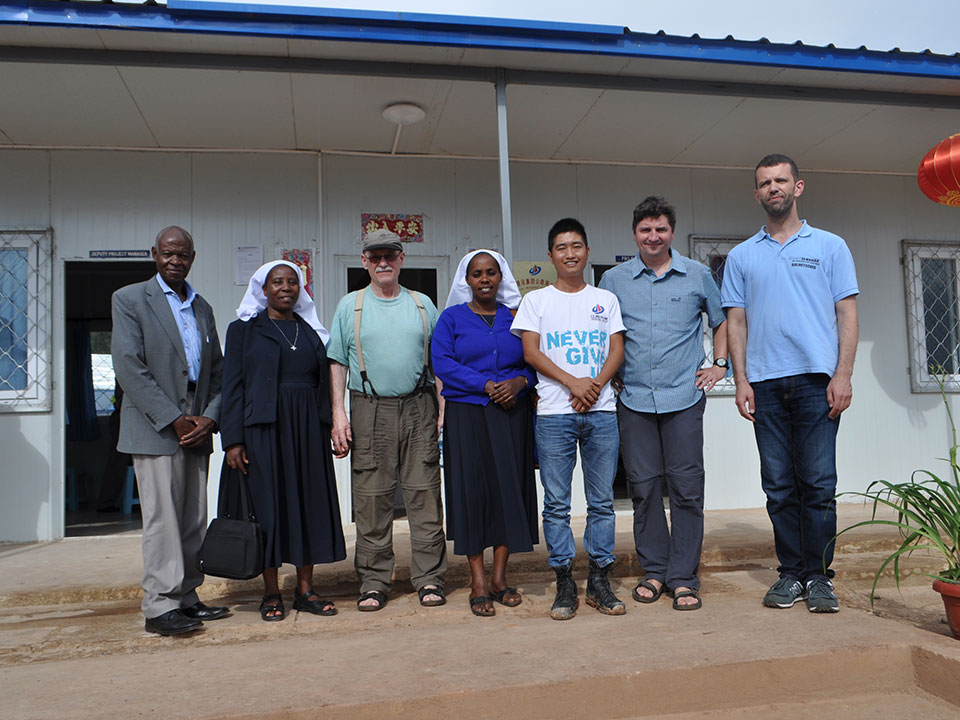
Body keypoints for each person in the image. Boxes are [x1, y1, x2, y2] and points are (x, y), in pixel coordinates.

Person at [722, 154, 859, 613]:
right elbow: (736, 323)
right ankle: (790, 574)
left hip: (817, 382)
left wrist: (843, 375)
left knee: (818, 483)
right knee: (779, 485)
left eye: (781, 180)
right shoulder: (742, 256)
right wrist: (740, 380)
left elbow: (847, 314)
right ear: (756, 193)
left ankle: (819, 577)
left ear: (798, 187)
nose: (773, 188)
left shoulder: (830, 246)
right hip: (764, 384)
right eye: (765, 183)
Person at [599, 196, 728, 612]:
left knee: (687, 490)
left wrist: (719, 365)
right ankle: (655, 570)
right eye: (645, 230)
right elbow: (600, 330)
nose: (653, 237)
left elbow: (721, 320)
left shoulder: (696, 274)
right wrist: (607, 372)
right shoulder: (614, 280)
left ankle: (684, 578)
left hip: (683, 397)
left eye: (661, 229)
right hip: (633, 398)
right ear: (634, 233)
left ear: (671, 231)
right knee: (644, 488)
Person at [111, 225, 227, 636]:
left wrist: (209, 417)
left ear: (192, 258)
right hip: (156, 427)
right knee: (162, 520)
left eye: (183, 254)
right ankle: (160, 607)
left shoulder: (203, 308)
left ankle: (188, 597)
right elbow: (129, 368)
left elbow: (217, 372)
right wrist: (173, 418)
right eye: (167, 253)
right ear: (154, 255)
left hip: (197, 425)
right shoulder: (129, 300)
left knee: (193, 518)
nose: (175, 260)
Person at [512, 218, 626, 621]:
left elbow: (616, 350)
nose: (570, 253)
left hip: (601, 413)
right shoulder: (536, 301)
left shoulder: (604, 299)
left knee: (602, 503)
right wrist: (572, 383)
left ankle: (599, 580)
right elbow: (531, 352)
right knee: (556, 504)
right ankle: (564, 581)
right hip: (555, 414)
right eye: (562, 247)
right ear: (550, 256)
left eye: (577, 245)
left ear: (587, 251)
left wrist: (593, 385)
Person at [328, 228, 447, 611]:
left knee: (424, 494)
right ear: (364, 261)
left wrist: (443, 408)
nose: (383, 263)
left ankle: (429, 578)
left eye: (390, 256)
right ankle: (375, 581)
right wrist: (338, 413)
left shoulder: (422, 304)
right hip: (369, 408)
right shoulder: (351, 305)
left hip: (419, 406)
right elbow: (338, 362)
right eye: (375, 256)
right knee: (372, 499)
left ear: (401, 260)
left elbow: (438, 360)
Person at [220, 260, 347, 621]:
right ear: (263, 289)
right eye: (278, 282)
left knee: (308, 505)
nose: (286, 288)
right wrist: (233, 440)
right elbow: (232, 388)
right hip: (264, 430)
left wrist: (332, 427)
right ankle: (271, 591)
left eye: (293, 282)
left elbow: (324, 383)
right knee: (268, 508)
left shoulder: (310, 331)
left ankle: (305, 589)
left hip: (308, 430)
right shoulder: (243, 330)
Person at [432, 250, 538, 617]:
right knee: (472, 492)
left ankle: (500, 578)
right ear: (467, 280)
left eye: (491, 272)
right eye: (477, 274)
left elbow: (537, 358)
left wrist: (521, 381)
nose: (484, 279)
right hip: (468, 414)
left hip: (512, 413)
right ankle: (477, 580)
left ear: (501, 276)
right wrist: (486, 384)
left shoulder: (517, 316)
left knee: (508, 490)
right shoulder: (452, 318)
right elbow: (442, 361)